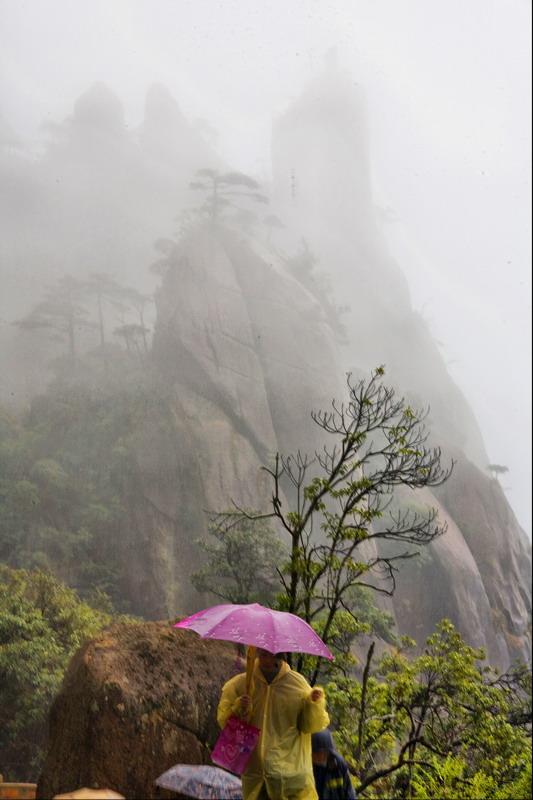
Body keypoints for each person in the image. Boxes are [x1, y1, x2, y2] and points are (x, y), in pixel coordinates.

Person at [217, 648, 330, 800]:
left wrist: (313, 703)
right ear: (257, 653)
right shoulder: (240, 684)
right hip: (255, 777)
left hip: (290, 779)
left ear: (281, 656)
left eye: (274, 656)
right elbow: (226, 725)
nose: (268, 661)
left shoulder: (297, 684)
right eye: (264, 655)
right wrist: (240, 709)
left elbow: (310, 726)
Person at [311, 729, 356, 799]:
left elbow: (349, 793)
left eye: (324, 752)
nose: (321, 756)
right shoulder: (305, 767)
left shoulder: (338, 764)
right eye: (317, 753)